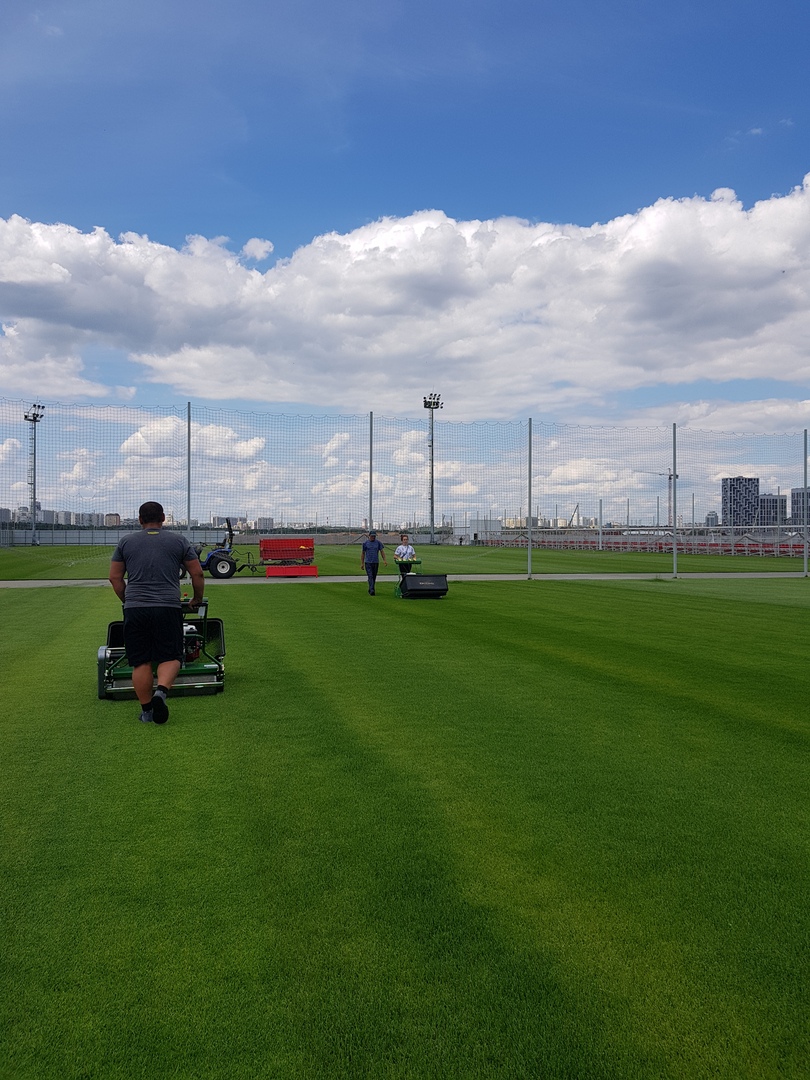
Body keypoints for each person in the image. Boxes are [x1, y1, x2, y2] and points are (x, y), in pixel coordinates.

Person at [109, 501, 205, 724]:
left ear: (140, 520)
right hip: (167, 607)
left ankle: (146, 712)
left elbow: (114, 577)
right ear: (162, 518)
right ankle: (161, 692)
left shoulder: (126, 542)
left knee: (140, 661)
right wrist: (197, 599)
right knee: (171, 656)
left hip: (135, 608)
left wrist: (127, 600)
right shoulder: (179, 541)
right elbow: (197, 573)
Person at [360, 529, 387, 595]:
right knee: (370, 576)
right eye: (372, 536)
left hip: (375, 562)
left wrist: (384, 560)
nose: (373, 537)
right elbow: (363, 553)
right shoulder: (365, 543)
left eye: (374, 536)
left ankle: (370, 588)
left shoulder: (378, 543)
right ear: (369, 536)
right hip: (368, 562)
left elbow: (382, 552)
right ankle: (372, 590)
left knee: (374, 576)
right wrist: (362, 563)